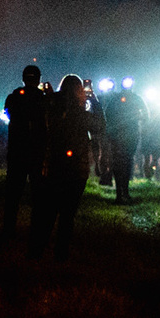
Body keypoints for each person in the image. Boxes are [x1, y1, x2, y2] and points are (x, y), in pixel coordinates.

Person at [29, 74, 93, 260]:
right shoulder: (82, 111)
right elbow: (99, 127)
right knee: (68, 214)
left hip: (53, 165)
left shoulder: (51, 106)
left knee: (47, 211)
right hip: (77, 167)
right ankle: (60, 253)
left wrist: (49, 96)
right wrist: (93, 101)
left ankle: (37, 251)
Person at [0, 63, 48, 243]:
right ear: (38, 79)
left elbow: (8, 114)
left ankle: (8, 230)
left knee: (13, 194)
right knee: (38, 195)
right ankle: (37, 232)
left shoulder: (13, 98)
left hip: (17, 151)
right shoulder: (43, 99)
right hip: (36, 151)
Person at [99, 79, 139, 202]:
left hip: (125, 136)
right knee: (122, 163)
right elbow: (107, 114)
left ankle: (123, 192)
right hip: (121, 136)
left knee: (124, 163)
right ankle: (121, 193)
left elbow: (146, 113)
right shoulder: (119, 99)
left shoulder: (130, 99)